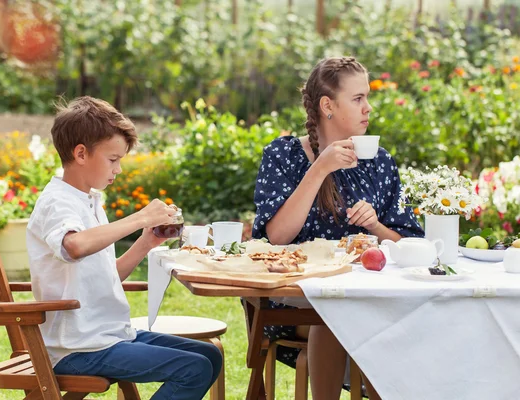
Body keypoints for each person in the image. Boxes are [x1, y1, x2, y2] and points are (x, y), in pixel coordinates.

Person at [27, 96, 222, 400]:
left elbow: (108, 275)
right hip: (77, 347)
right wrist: (141, 216)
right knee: (192, 368)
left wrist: (146, 241)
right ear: (81, 153)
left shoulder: (89, 201)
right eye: (113, 159)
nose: (117, 169)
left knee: (209, 356)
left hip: (109, 336)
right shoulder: (58, 202)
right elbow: (73, 246)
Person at [252, 57, 424, 399]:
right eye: (358, 98)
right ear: (327, 106)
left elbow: (410, 244)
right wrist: (320, 169)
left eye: (367, 97)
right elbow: (278, 236)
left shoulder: (379, 162)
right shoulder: (283, 154)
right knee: (335, 309)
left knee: (396, 322)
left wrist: (375, 225)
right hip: (297, 302)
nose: (368, 107)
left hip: (372, 297)